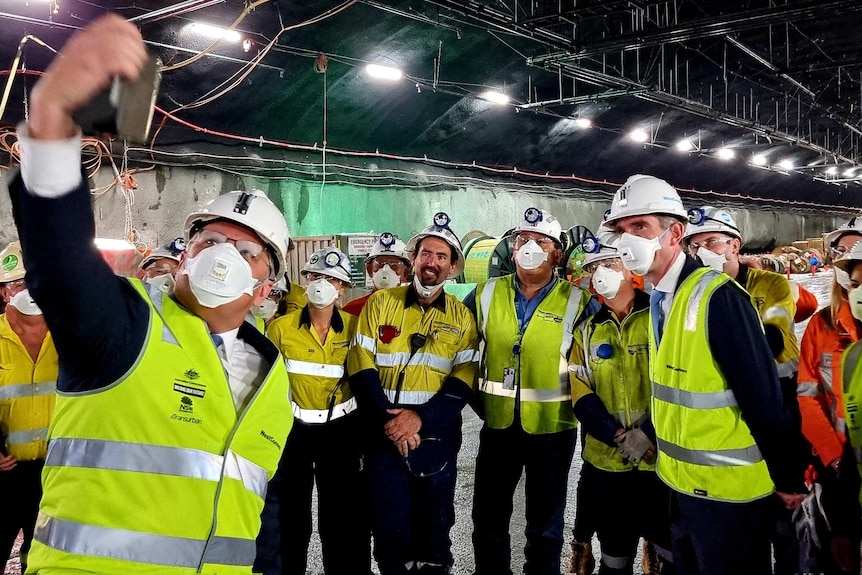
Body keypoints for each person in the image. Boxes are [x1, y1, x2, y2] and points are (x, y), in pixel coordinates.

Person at [8, 14, 293, 574]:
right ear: (183, 257)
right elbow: (60, 261)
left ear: (265, 285)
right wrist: (52, 126)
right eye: (211, 240)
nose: (222, 256)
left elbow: (262, 510)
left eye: (246, 251)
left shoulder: (270, 375)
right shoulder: (123, 324)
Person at [603, 174, 806, 575]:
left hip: (729, 496)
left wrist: (787, 477)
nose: (628, 240)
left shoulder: (719, 297)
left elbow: (763, 399)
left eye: (640, 226)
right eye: (622, 230)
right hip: (680, 489)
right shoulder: (660, 301)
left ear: (675, 232)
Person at [347, 212, 479, 575]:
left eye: (441, 257)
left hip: (435, 437)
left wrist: (419, 419)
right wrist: (390, 424)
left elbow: (464, 379)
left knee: (435, 528)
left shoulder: (462, 318)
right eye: (425, 254)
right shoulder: (379, 304)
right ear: (414, 260)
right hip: (383, 434)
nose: (431, 263)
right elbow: (361, 364)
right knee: (389, 528)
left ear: (453, 267)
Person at [467, 207, 597, 575]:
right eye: (523, 240)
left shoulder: (579, 303)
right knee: (488, 519)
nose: (530, 248)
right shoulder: (484, 294)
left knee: (545, 524)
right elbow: (456, 353)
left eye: (541, 242)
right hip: (497, 428)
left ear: (557, 254)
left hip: (553, 431)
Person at [683, 206, 811, 574]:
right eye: (694, 245)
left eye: (711, 242)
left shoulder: (771, 286)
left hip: (780, 403)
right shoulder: (692, 292)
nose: (702, 251)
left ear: (734, 245)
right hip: (732, 422)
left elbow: (769, 340)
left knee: (786, 529)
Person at [257, 248, 371, 575]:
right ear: (306, 281)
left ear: (343, 288)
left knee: (340, 519)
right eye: (317, 276)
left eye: (333, 279)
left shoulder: (355, 328)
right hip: (294, 434)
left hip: (340, 434)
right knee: (292, 519)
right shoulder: (281, 329)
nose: (323, 284)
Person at [566, 232, 674, 575]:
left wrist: (649, 434)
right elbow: (580, 391)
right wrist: (618, 436)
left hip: (660, 461)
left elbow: (677, 383)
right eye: (595, 266)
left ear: (629, 268)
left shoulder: (660, 318)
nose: (601, 272)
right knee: (615, 556)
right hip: (608, 464)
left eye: (609, 263)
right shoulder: (586, 330)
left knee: (669, 553)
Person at [795, 221, 862, 574]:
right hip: (837, 469)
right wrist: (833, 457)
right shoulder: (822, 327)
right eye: (842, 251)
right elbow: (808, 397)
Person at [0, 242, 58, 573]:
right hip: (4, 473)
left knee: (41, 557)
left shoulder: (69, 337)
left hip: (53, 473)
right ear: (5, 292)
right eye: (18, 283)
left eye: (34, 281)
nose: (28, 290)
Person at [343, 232, 412, 316]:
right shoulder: (351, 310)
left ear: (405, 273)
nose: (385, 270)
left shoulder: (413, 310)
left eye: (394, 265)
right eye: (380, 264)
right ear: (369, 270)